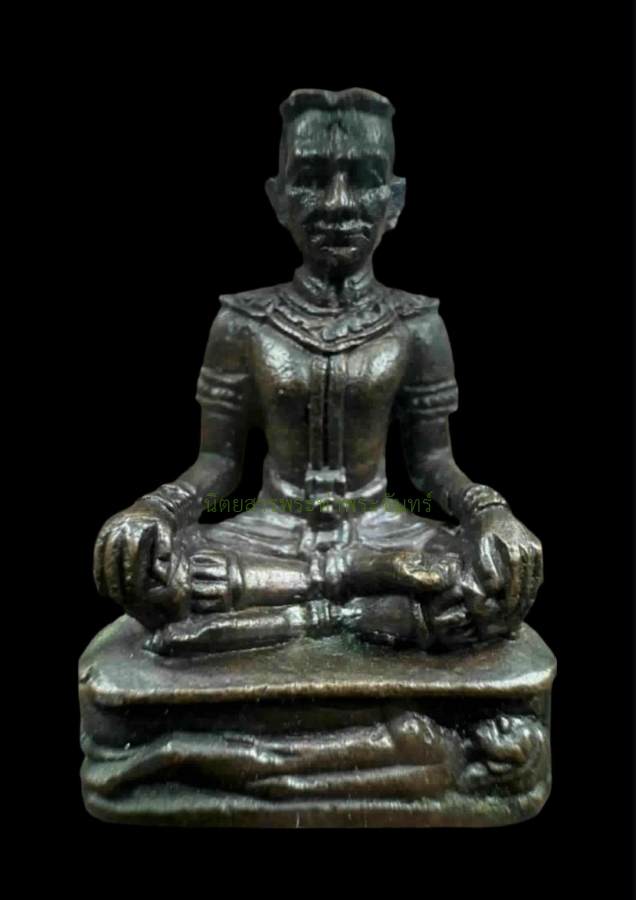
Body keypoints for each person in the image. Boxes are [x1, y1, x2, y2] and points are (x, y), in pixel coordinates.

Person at [93, 87, 542, 654]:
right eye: (311, 178)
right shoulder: (243, 323)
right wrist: (155, 510)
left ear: (394, 200)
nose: (338, 203)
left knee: (494, 582)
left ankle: (295, 609)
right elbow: (218, 462)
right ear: (279, 199)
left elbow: (432, 462)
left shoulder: (416, 324)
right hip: (269, 534)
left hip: (383, 532)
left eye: (364, 178)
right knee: (149, 572)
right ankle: (359, 609)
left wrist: (492, 515)